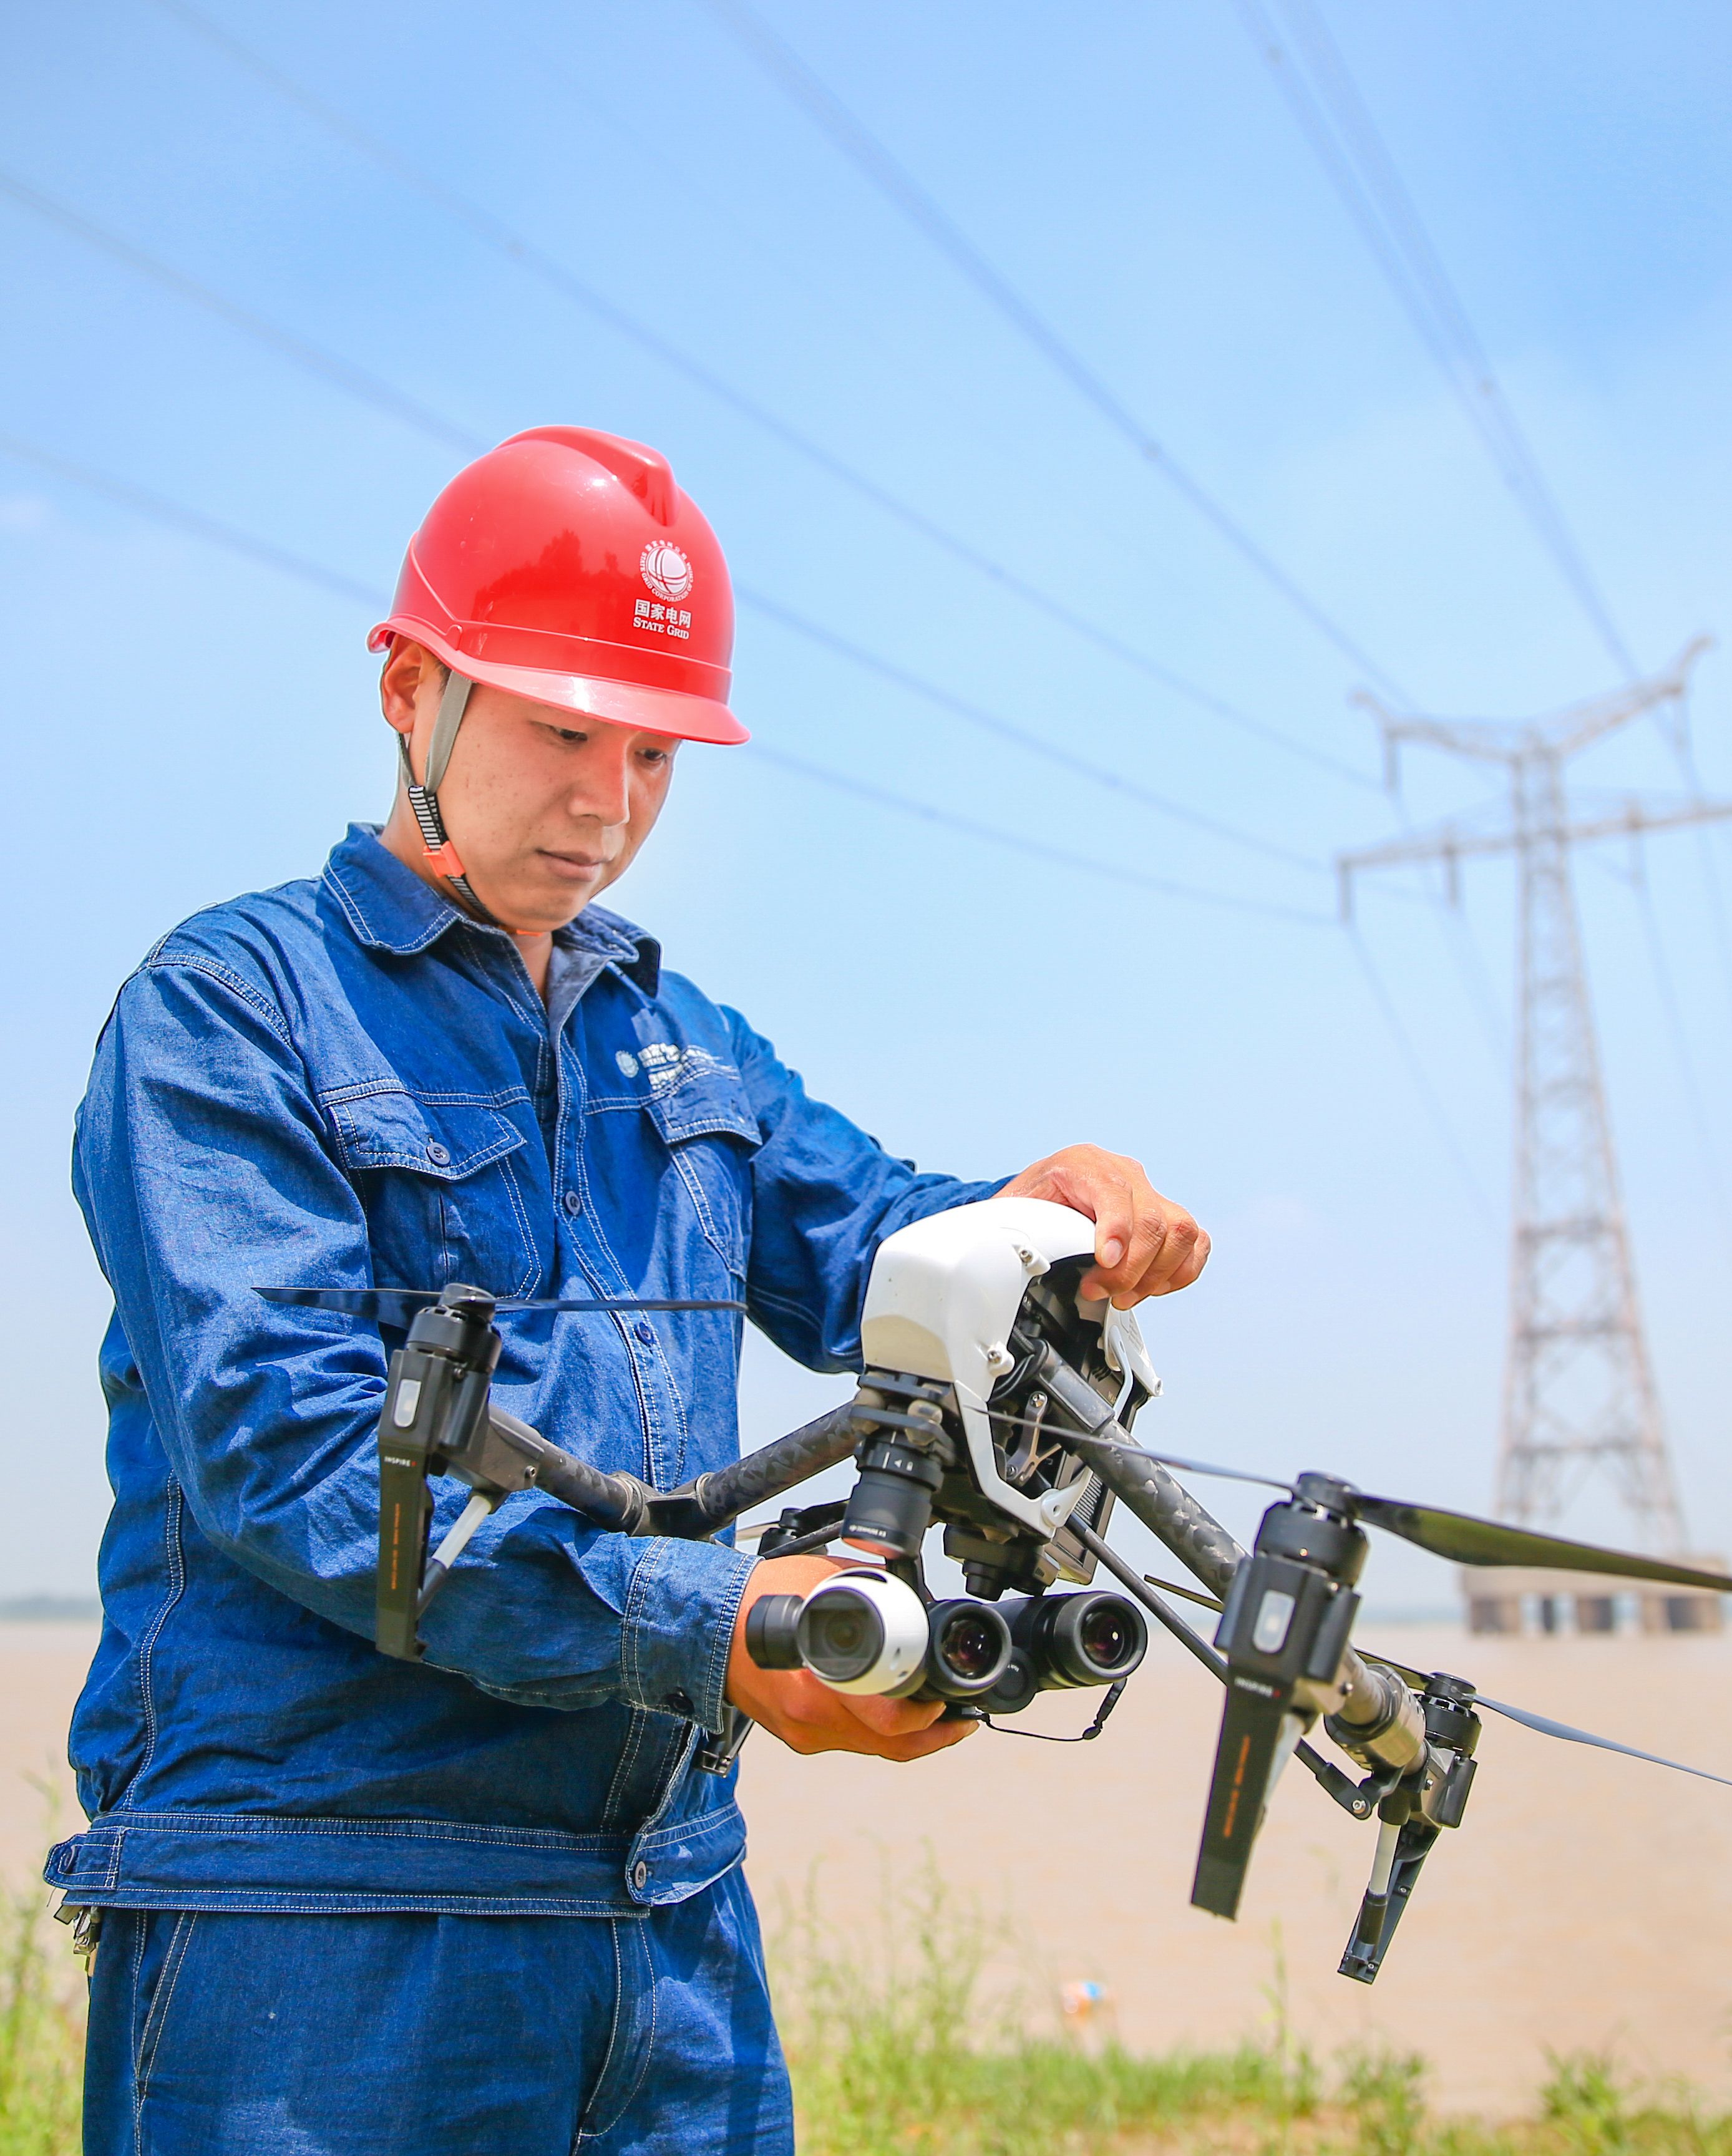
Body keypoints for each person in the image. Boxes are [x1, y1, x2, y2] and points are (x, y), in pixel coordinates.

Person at [50, 426, 1209, 2155]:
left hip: (668, 1932)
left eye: (657, 750)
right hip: (323, 1919)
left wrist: (1043, 1213)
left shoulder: (678, 1041)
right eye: (562, 729)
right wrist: (731, 1631)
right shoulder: (231, 1012)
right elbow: (287, 1459)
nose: (610, 802)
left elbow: (886, 1248)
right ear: (408, 687)